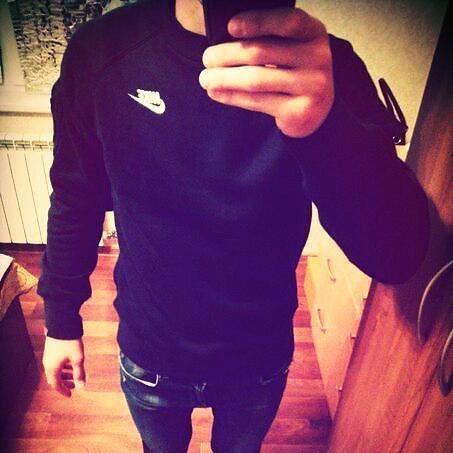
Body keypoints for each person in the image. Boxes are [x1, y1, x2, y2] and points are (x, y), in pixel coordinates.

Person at [37, 0, 430, 452]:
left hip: (257, 357)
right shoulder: (102, 50)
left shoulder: (325, 68)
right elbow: (76, 195)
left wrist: (325, 125)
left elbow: (396, 257)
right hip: (152, 350)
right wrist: (60, 320)